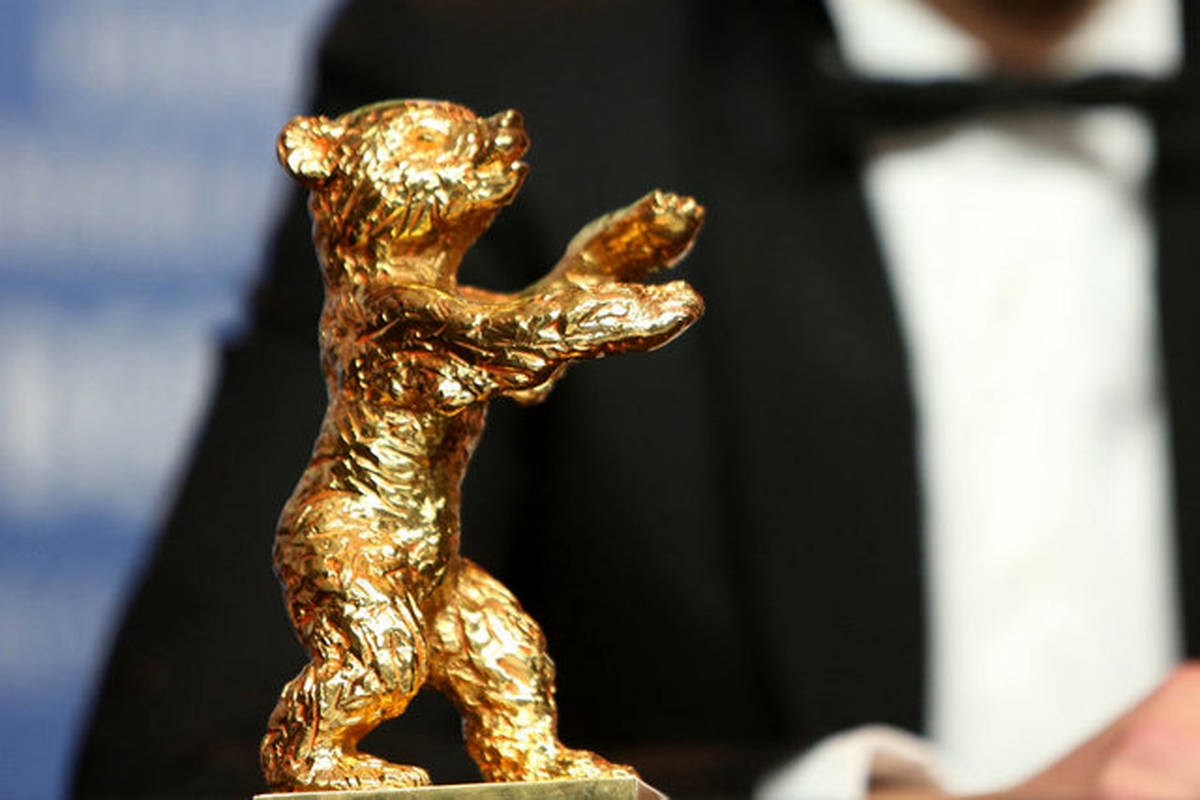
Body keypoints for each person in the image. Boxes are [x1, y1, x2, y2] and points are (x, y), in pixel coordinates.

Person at [71, 1, 1200, 798]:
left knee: (504, 660)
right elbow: (180, 769)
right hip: (368, 543)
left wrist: (591, 278)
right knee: (372, 664)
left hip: (433, 555)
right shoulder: (499, 61)